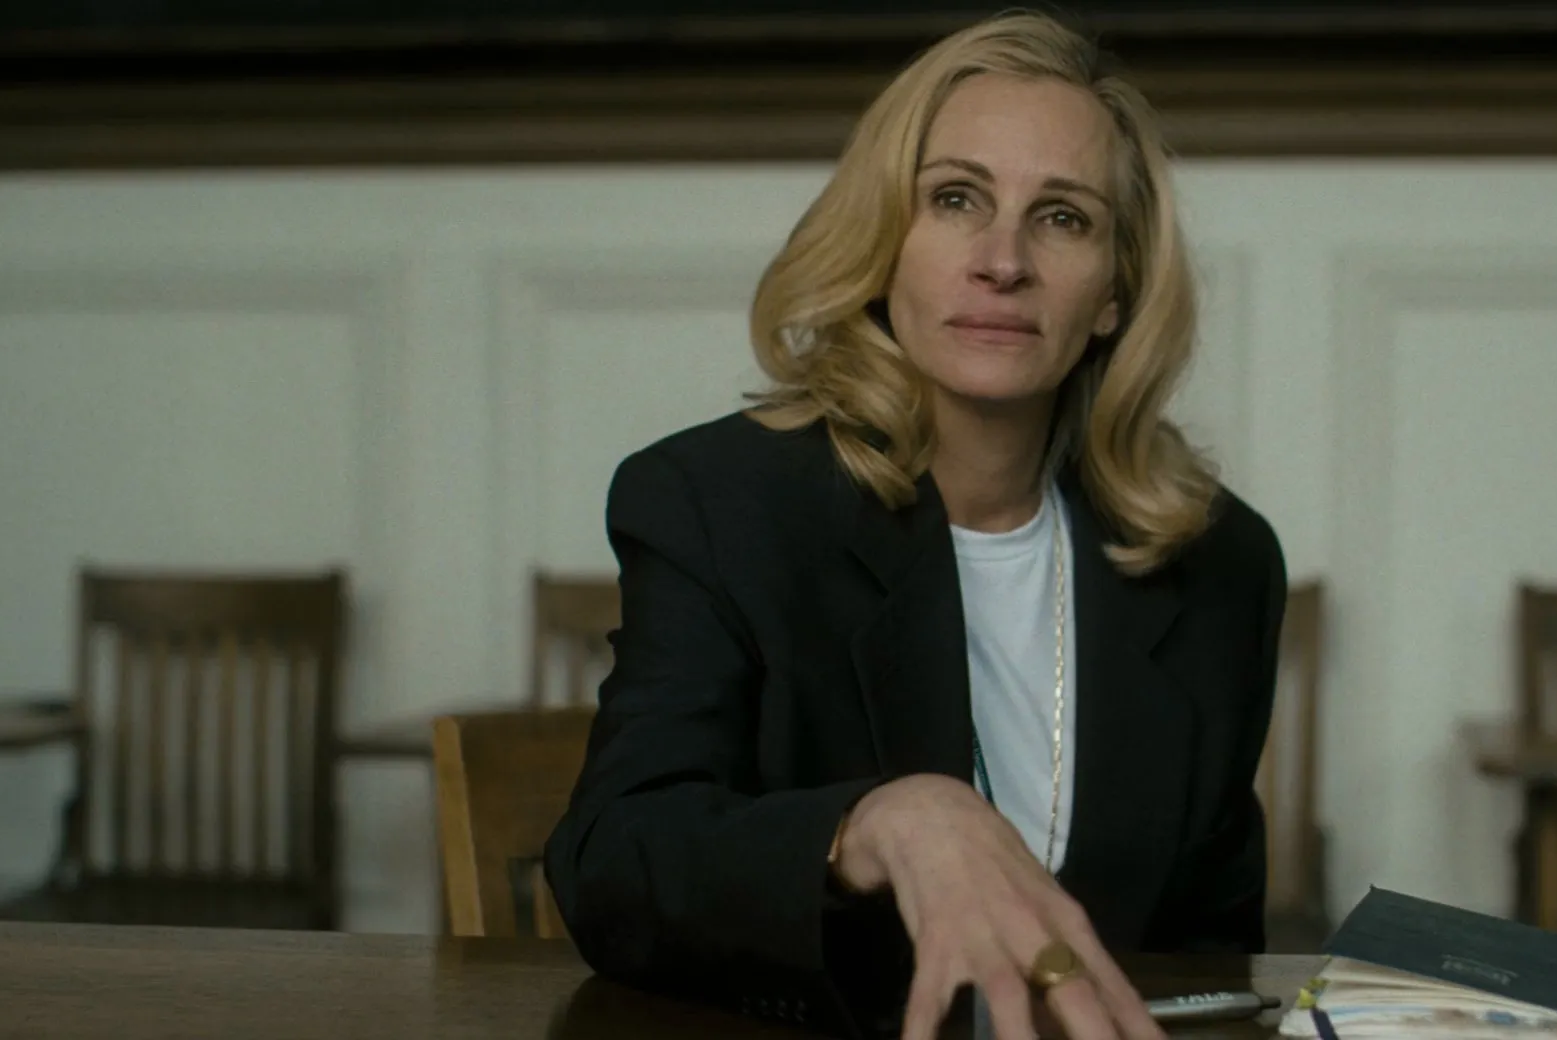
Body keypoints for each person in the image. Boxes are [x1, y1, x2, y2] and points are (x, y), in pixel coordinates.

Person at [543, 10, 1287, 1040]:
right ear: (884, 239)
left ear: (1115, 290)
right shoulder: (720, 502)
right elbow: (615, 862)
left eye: (1062, 217)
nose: (1002, 261)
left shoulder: (1218, 564)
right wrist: (870, 824)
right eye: (954, 199)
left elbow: (1209, 955)